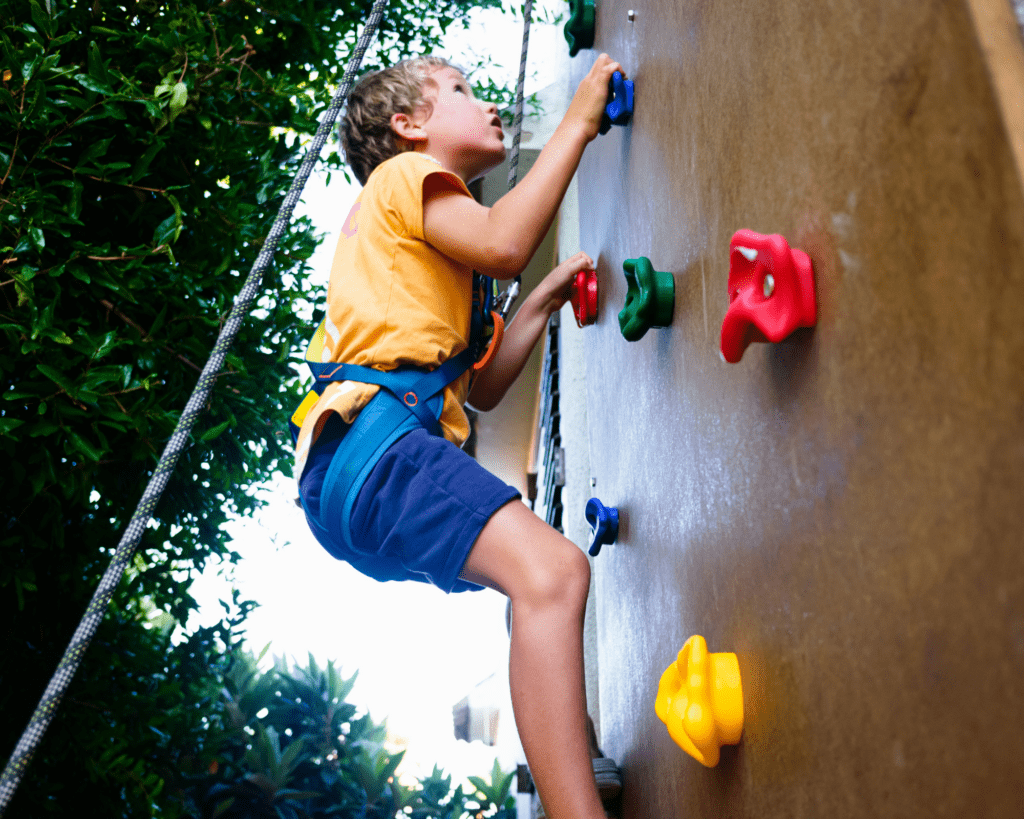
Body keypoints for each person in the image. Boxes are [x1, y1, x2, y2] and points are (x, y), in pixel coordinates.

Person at [293, 53, 626, 819]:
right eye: (461, 91)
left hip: (352, 479)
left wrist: (537, 302)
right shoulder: (405, 181)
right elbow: (507, 241)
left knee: (534, 583)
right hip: (373, 449)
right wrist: (579, 117)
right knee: (553, 575)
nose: (485, 103)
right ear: (408, 127)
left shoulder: (439, 257)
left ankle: (562, 746)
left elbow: (481, 388)